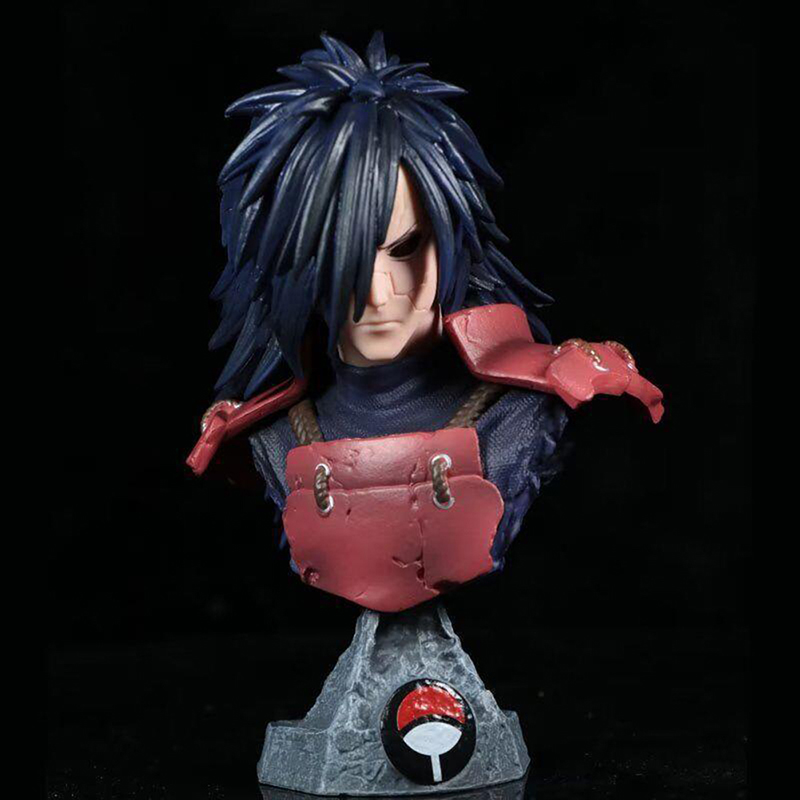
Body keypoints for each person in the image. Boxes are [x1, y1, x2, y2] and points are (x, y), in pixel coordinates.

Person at [187, 31, 663, 791]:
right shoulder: (269, 433)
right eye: (342, 259)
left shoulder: (525, 407)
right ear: (286, 267)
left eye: (405, 248)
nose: (378, 293)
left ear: (450, 237)